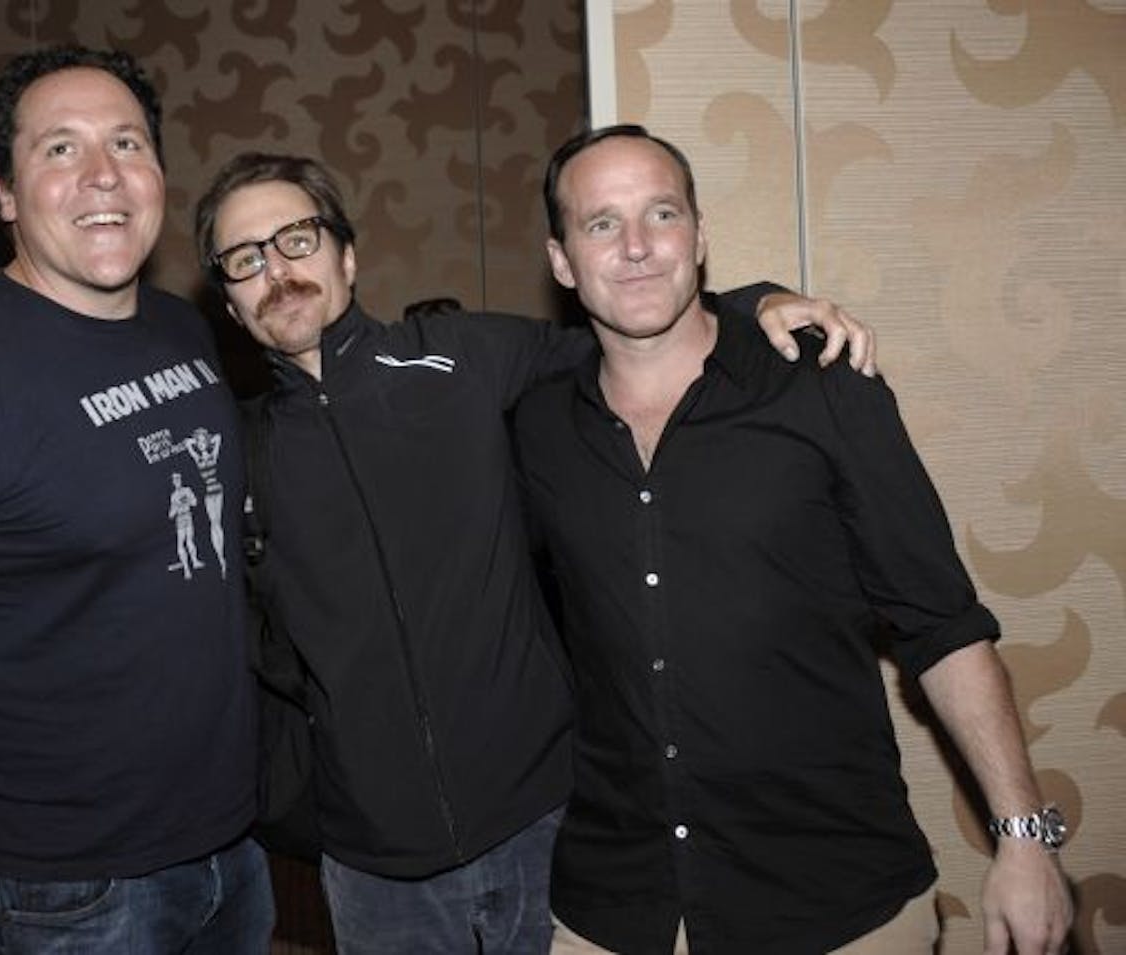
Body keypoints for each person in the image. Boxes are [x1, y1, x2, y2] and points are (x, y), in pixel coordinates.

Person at [192, 151, 876, 953]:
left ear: (347, 253)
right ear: (231, 305)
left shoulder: (464, 357)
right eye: (247, 258)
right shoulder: (232, 451)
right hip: (375, 872)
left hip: (550, 829)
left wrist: (758, 301)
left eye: (297, 239)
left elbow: (641, 333)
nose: (276, 269)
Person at [513, 124, 1074, 955]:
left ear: (700, 238)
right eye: (601, 224)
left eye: (661, 214)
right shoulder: (536, 426)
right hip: (615, 905)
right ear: (562, 260)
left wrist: (1024, 836)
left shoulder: (822, 388)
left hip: (835, 904)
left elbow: (942, 624)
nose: (636, 247)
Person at [0, 46, 272, 954]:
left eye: (127, 143)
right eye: (59, 149)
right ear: (4, 191)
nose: (102, 175)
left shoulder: (185, 330)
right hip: (62, 892)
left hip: (231, 849)